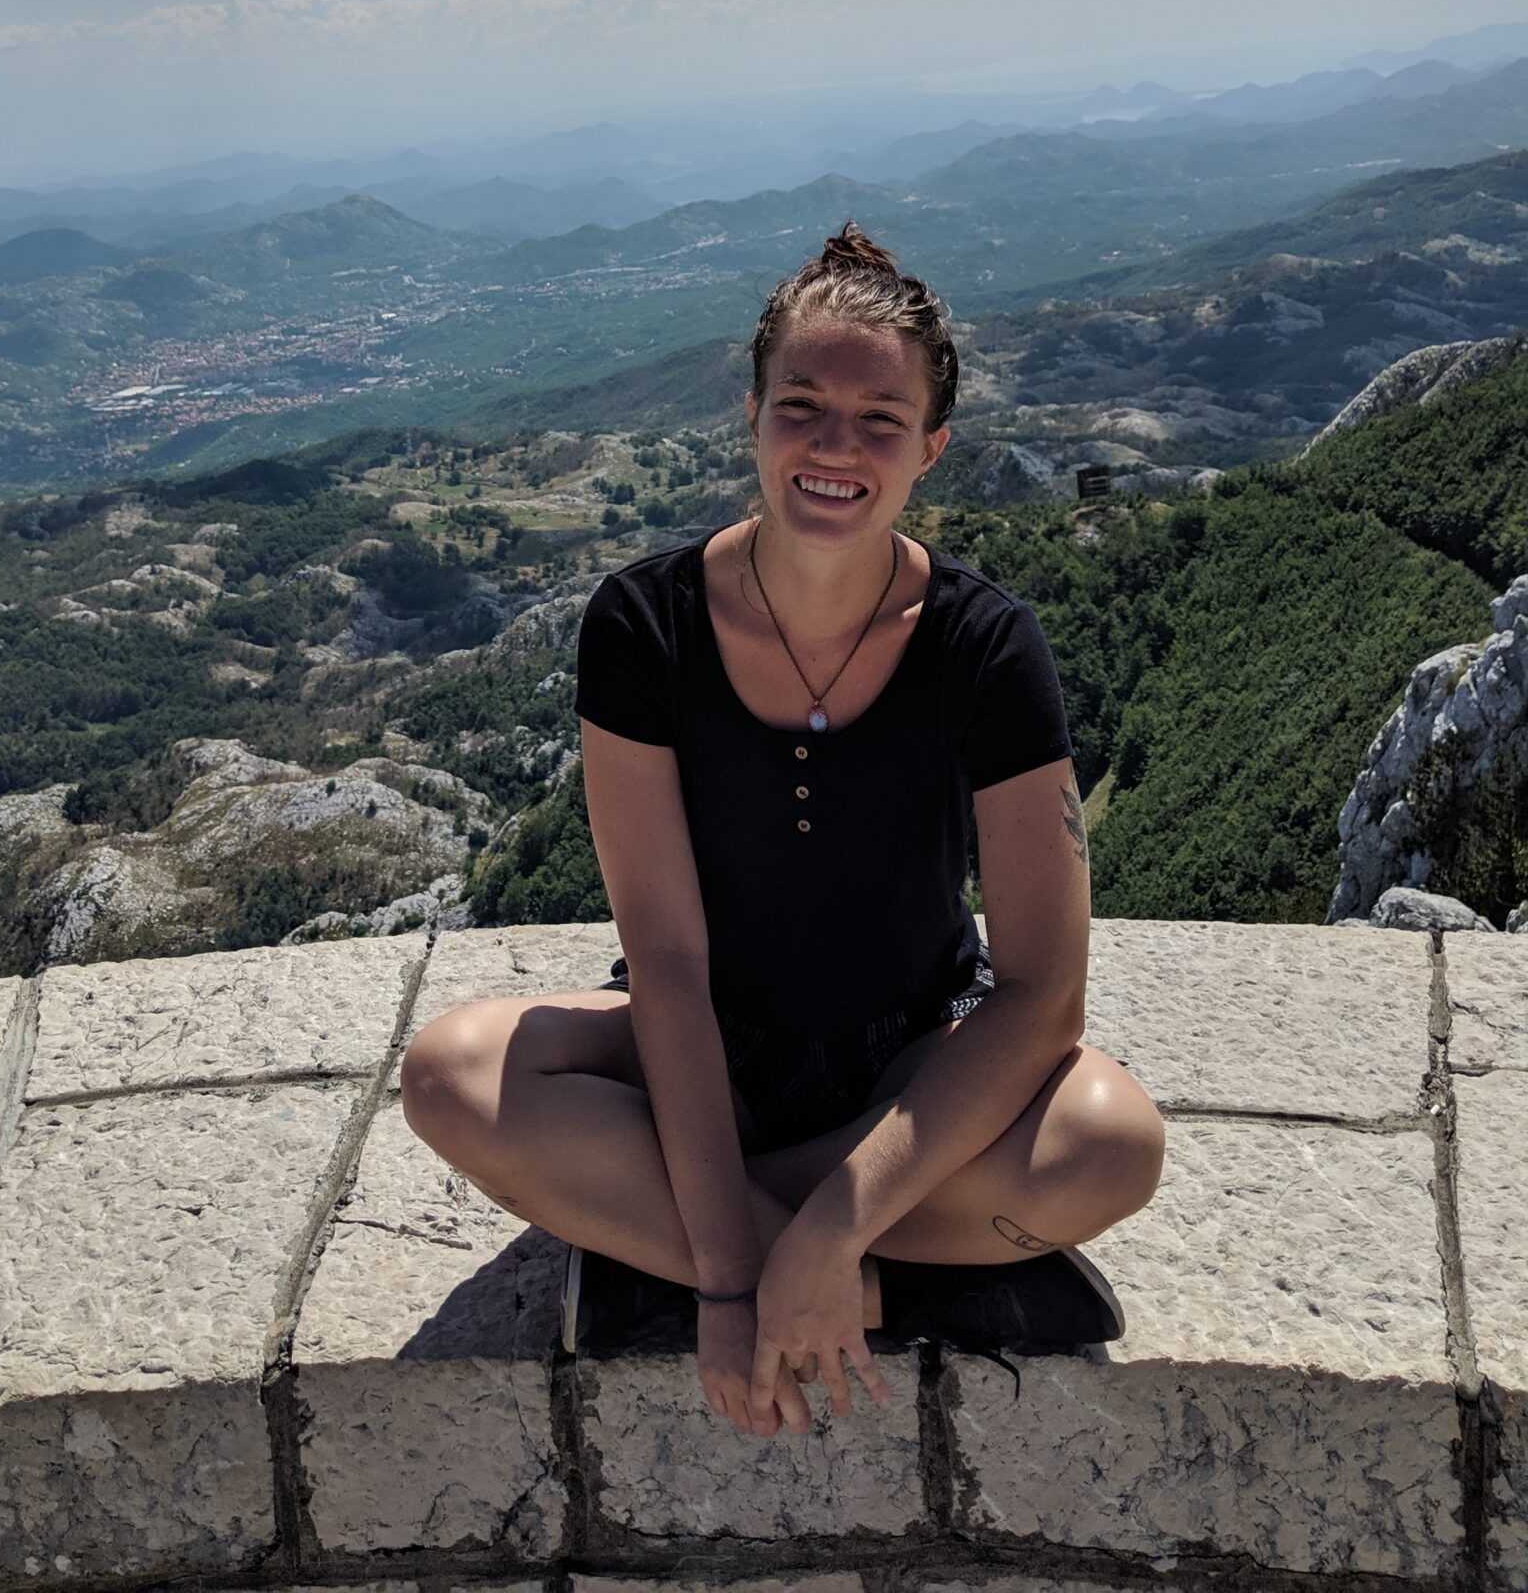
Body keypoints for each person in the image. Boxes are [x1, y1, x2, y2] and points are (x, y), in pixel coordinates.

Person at [400, 222, 1165, 1439]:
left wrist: (810, 1225)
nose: (835, 446)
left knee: (1112, 1142)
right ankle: (892, 1282)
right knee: (448, 1074)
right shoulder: (642, 626)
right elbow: (669, 961)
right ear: (751, 411)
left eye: (880, 419)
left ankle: (684, 1243)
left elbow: (1041, 995)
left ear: (933, 448)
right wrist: (741, 1276)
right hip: (699, 1052)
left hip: (909, 1058)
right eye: (802, 404)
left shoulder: (987, 646)